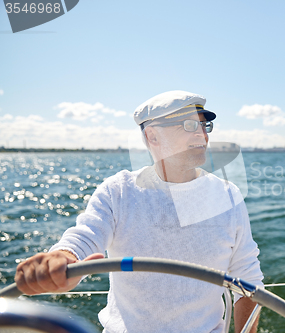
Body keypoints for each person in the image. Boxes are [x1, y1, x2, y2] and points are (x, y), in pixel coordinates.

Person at [14, 90, 264, 333]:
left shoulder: (228, 196)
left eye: (203, 125)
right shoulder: (119, 191)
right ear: (153, 137)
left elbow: (247, 280)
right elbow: (85, 236)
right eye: (188, 125)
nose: (202, 134)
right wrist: (63, 258)